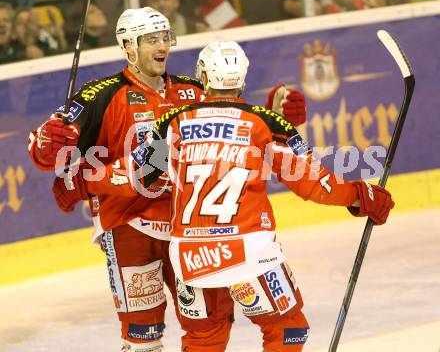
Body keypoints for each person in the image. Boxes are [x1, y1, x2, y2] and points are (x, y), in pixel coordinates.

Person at [62, 40, 395, 351]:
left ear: (203, 78)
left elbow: (131, 176)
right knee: (288, 330)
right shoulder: (266, 122)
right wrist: (361, 196)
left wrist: (83, 179)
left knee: (203, 339)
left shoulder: (173, 122)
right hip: (248, 253)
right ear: (243, 78)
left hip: (191, 255)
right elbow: (311, 183)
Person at [28, 7, 307, 351]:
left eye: (164, 37)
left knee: (211, 324)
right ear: (128, 46)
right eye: (150, 39)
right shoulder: (100, 94)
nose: (161, 46)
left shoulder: (193, 90)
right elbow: (47, 152)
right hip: (129, 227)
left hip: (187, 234)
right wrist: (49, 141)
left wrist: (277, 115)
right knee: (143, 335)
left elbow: (241, 124)